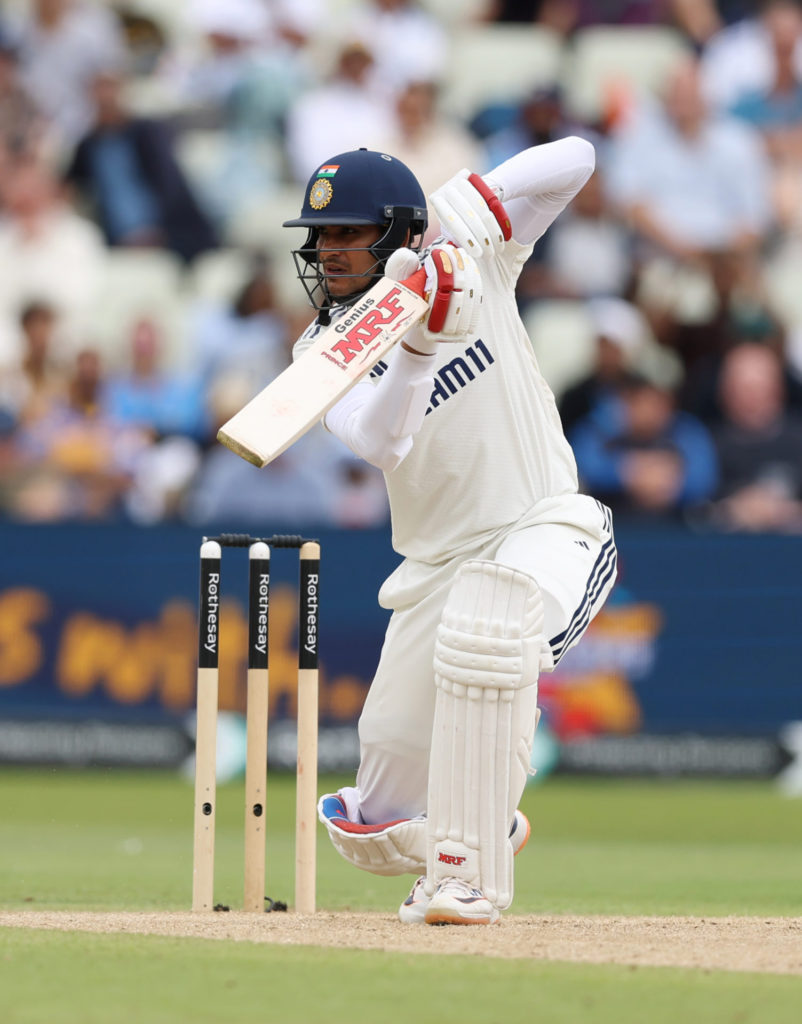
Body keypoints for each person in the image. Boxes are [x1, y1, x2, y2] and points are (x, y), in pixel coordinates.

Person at [282, 143, 617, 925]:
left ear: (401, 230)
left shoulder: (477, 258)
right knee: (373, 822)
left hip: (545, 523)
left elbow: (578, 156)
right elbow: (380, 443)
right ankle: (480, 822)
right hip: (436, 564)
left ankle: (466, 875)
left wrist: (466, 206)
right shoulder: (319, 349)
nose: (328, 253)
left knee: (490, 633)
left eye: (347, 234)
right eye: (321, 238)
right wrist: (420, 345)